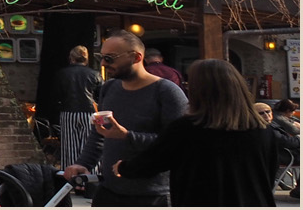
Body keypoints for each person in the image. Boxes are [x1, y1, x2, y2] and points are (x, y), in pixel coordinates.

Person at [112, 58, 280, 205]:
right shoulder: (263, 130)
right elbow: (270, 174)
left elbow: (153, 161)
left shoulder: (187, 129)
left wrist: (123, 167)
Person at [63, 30, 187, 206]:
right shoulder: (109, 88)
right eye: (102, 57)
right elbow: (99, 134)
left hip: (152, 194)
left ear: (136, 57)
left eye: (110, 58)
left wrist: (127, 136)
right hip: (109, 190)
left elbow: (177, 145)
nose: (104, 64)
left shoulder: (167, 92)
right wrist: (84, 163)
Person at [53, 45, 101, 169]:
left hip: (68, 111)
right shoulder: (94, 74)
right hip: (90, 112)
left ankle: (70, 178)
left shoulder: (62, 73)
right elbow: (101, 94)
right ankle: (91, 176)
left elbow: (57, 95)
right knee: (90, 146)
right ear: (86, 58)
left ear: (71, 58)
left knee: (70, 147)